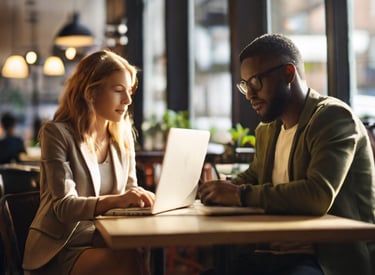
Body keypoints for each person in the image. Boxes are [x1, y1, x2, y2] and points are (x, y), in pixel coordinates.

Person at [199, 33, 375, 275]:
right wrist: (215, 190)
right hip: (275, 254)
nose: (250, 95)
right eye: (245, 85)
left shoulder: (332, 118)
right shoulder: (268, 130)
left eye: (256, 82)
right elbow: (255, 175)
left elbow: (318, 194)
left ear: (288, 73)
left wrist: (239, 194)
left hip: (327, 260)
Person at [23, 50, 155, 275]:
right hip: (61, 248)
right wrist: (119, 200)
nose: (128, 100)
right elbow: (64, 207)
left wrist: (139, 197)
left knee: (137, 252)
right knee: (129, 259)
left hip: (104, 239)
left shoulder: (122, 136)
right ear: (91, 92)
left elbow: (129, 190)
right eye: (118, 90)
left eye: (129, 91)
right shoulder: (56, 133)